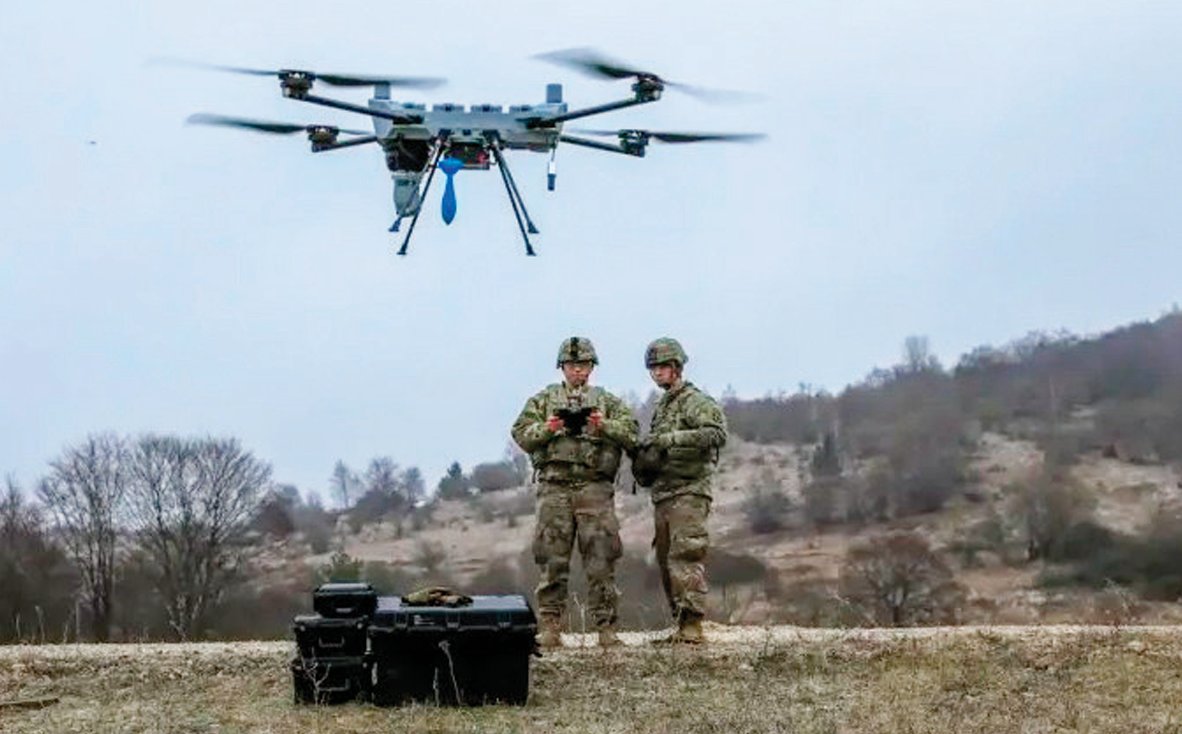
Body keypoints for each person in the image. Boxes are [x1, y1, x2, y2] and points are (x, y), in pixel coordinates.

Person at [511, 337, 638, 648]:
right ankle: (551, 626)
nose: (577, 371)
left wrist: (603, 424)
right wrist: (550, 428)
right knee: (551, 561)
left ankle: (606, 628)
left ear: (591, 368)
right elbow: (521, 434)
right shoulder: (542, 401)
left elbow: (632, 434)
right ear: (562, 368)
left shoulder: (607, 401)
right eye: (571, 366)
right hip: (554, 488)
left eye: (582, 366)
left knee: (601, 560)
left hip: (594, 488)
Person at [632, 337, 727, 644]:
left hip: (688, 491)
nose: (657, 373)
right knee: (665, 562)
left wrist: (670, 440)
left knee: (684, 557)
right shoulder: (663, 405)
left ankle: (692, 627)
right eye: (653, 368)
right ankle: (681, 625)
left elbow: (715, 434)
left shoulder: (694, 401)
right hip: (664, 493)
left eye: (662, 367)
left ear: (676, 367)